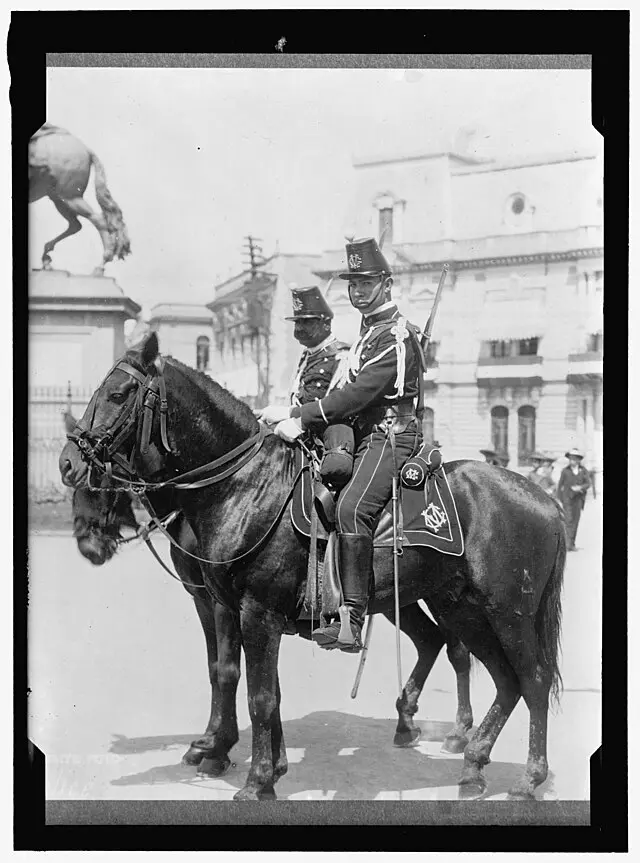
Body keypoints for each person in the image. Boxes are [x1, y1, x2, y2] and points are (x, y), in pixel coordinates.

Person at [256, 237, 423, 652]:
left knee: (352, 508)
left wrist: (298, 415)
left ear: (386, 284)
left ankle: (351, 618)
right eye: (353, 284)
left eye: (366, 283)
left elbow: (355, 395)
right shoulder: (369, 333)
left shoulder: (396, 336)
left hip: (391, 435)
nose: (358, 291)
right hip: (365, 435)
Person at [557, 448, 592, 550]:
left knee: (575, 521)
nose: (572, 461)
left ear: (578, 460)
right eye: (570, 458)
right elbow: (560, 486)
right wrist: (560, 499)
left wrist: (580, 487)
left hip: (578, 500)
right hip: (567, 499)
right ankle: (567, 544)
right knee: (568, 521)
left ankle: (571, 544)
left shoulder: (583, 470)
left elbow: (588, 483)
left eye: (574, 459)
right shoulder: (565, 471)